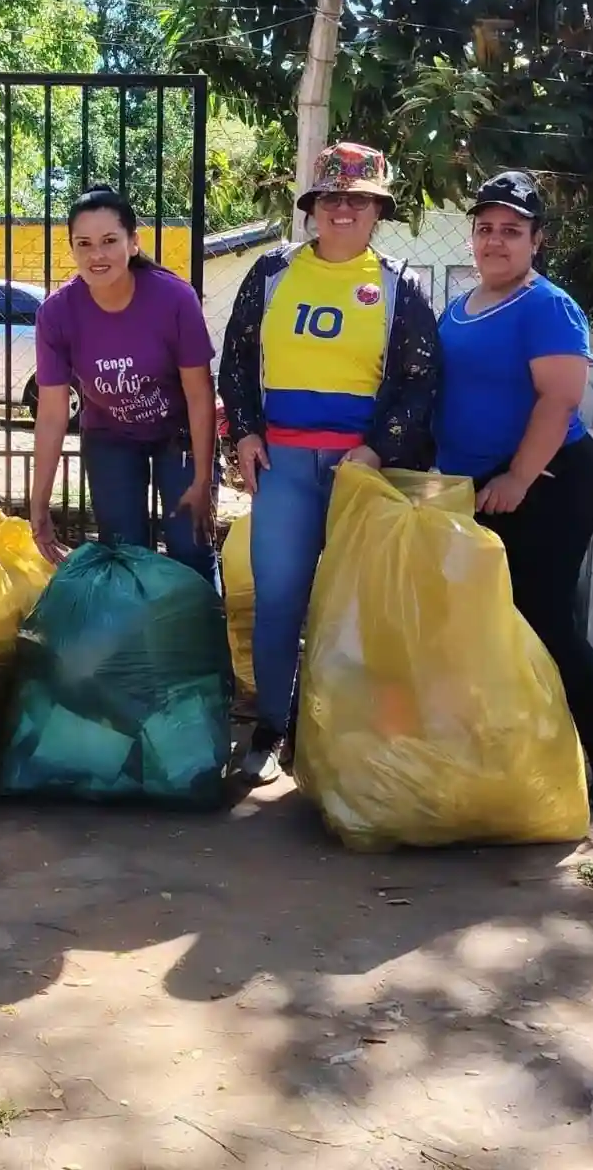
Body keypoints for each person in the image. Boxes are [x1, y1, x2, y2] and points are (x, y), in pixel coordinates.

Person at [219, 143, 440, 784]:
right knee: (279, 600)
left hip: (360, 471)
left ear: (378, 209)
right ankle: (271, 726)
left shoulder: (402, 285)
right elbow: (235, 363)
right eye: (332, 198)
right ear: (313, 207)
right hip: (283, 465)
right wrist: (245, 435)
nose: (344, 209)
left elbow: (419, 382)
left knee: (357, 605)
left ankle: (348, 733)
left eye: (359, 199)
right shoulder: (271, 273)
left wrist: (374, 452)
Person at [434, 169, 593, 812]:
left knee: (544, 618)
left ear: (536, 240)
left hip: (547, 481)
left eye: (512, 231)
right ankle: (513, 750)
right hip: (477, 487)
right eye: (486, 229)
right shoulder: (459, 307)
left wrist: (519, 478)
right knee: (483, 623)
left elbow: (560, 398)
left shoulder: (546, 305)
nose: (495, 242)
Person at [28, 185, 218, 582]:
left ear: (134, 243)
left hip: (179, 432)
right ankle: (138, 641)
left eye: (109, 241)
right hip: (110, 436)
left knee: (190, 546)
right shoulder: (56, 314)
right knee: (124, 551)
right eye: (84, 244)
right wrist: (39, 504)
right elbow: (51, 415)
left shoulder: (174, 298)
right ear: (73, 250)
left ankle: (205, 637)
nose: (97, 255)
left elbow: (200, 395)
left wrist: (202, 480)